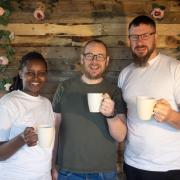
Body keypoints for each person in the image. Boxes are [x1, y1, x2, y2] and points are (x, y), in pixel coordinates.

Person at [52, 39, 127, 180]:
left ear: (107, 61)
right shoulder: (64, 87)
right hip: (68, 171)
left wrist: (111, 115)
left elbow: (121, 136)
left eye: (100, 56)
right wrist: (51, 164)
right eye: (89, 55)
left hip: (104, 172)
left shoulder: (114, 91)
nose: (94, 61)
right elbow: (54, 129)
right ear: (82, 58)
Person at [118, 15, 180, 180]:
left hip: (169, 167)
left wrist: (170, 116)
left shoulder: (175, 69)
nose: (140, 41)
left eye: (145, 35)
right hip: (133, 164)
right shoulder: (125, 74)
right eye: (134, 36)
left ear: (156, 37)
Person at [0, 52, 55, 180]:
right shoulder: (9, 103)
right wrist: (21, 139)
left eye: (41, 73)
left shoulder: (46, 104)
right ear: (20, 74)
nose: (36, 78)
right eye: (30, 73)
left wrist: (51, 169)